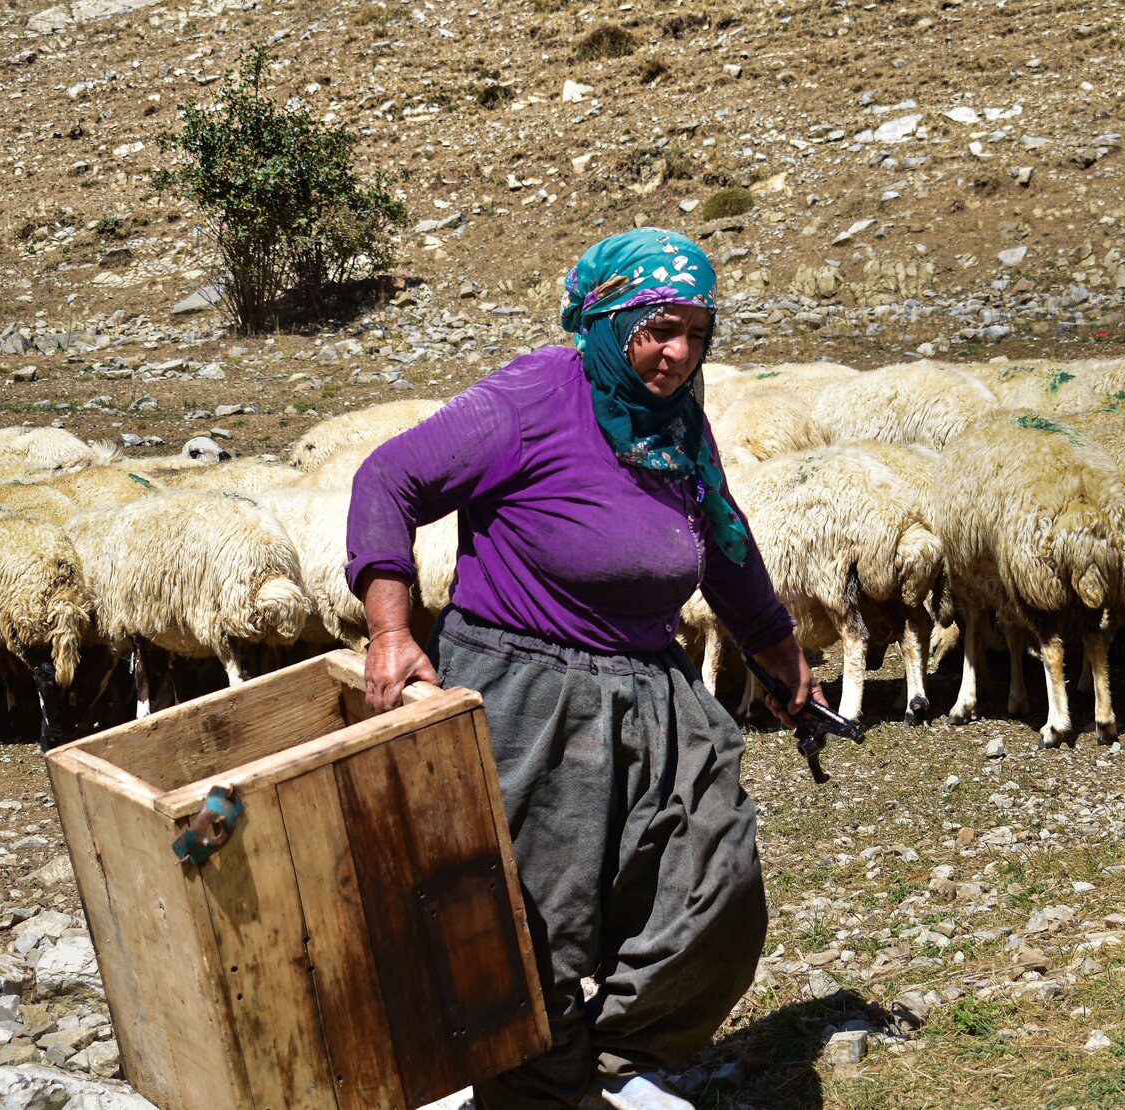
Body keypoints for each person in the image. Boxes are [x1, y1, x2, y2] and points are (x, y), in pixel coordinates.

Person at [345, 227, 822, 1110]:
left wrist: (782, 658)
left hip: (653, 683)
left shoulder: (676, 420)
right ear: (609, 319)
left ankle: (612, 1062)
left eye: (697, 331)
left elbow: (722, 539)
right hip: (530, 687)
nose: (678, 352)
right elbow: (388, 479)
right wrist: (390, 631)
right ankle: (532, 1086)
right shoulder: (534, 396)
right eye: (658, 328)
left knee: (719, 879)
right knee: (540, 924)